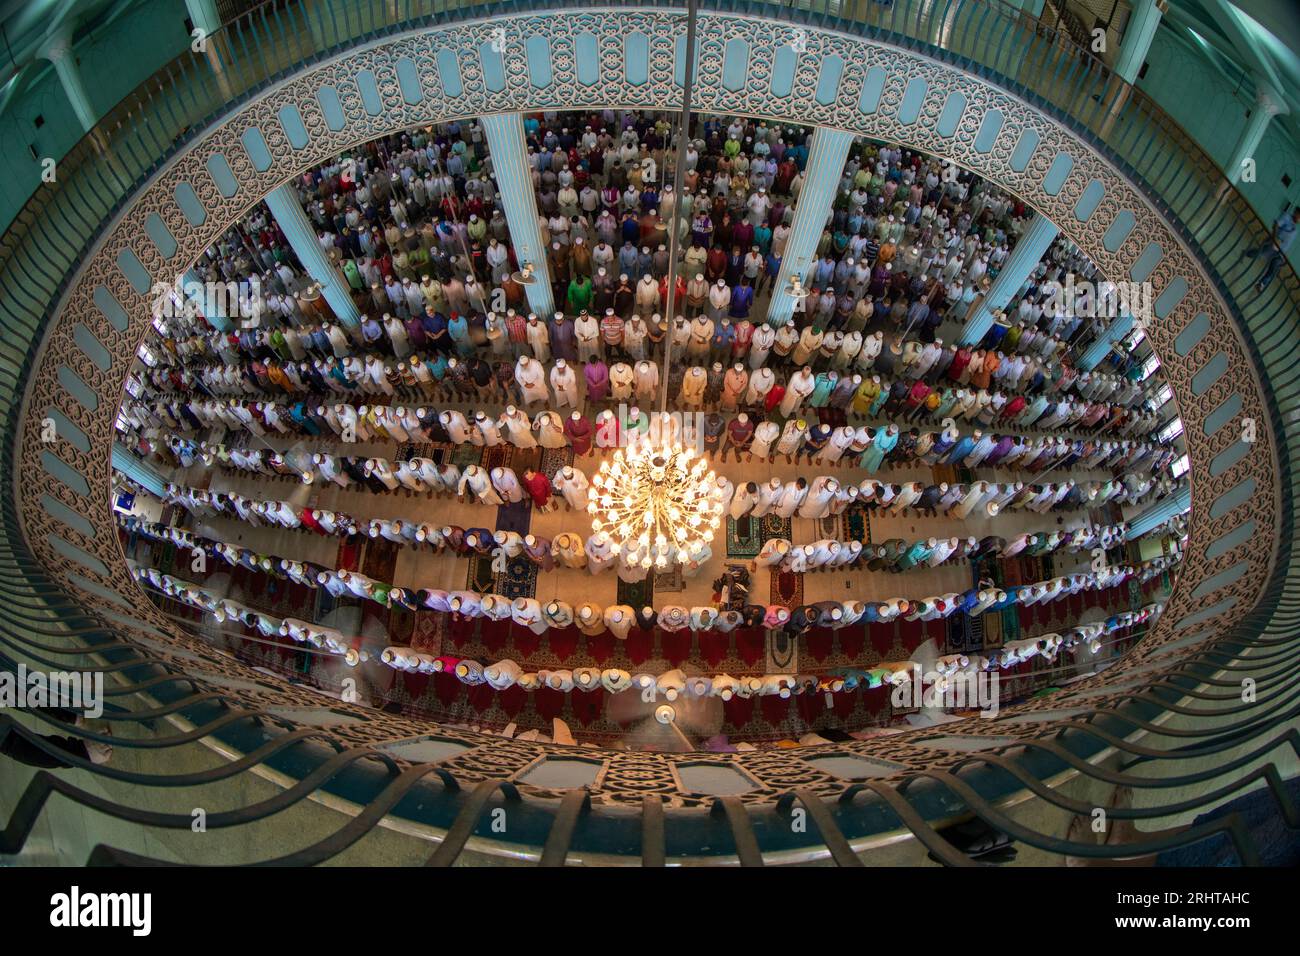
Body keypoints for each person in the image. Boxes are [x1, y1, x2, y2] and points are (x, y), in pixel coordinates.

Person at [1240, 208, 1298, 292]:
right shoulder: (1287, 217)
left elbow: (1288, 243)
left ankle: (1261, 284)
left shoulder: (1295, 229)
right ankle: (1246, 253)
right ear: (1296, 213)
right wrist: (1274, 238)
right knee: (1259, 254)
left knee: (1273, 269)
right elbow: (1276, 225)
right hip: (1273, 245)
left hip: (1281, 253)